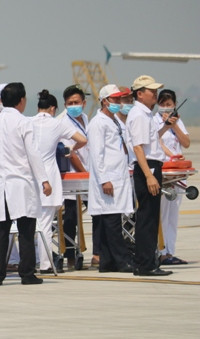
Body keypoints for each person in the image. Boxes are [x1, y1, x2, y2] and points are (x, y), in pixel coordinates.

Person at [0, 82, 51, 286]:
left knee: (1, 230)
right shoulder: (24, 122)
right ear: (21, 100)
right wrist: (44, 180)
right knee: (26, 230)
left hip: (1, 184)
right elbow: (33, 153)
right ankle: (27, 274)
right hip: (21, 182)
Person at [31, 90, 86, 274]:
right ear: (53, 108)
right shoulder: (57, 124)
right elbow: (83, 139)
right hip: (48, 175)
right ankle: (45, 264)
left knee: (30, 223)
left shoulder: (27, 122)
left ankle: (31, 261)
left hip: (29, 175)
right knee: (46, 223)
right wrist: (70, 148)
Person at [126, 75, 172, 276]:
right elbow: (138, 148)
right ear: (139, 94)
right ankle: (146, 264)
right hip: (148, 167)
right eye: (151, 91)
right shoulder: (139, 115)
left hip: (150, 165)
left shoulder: (145, 114)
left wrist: (166, 126)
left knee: (150, 216)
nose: (155, 94)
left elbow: (149, 141)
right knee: (147, 217)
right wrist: (149, 175)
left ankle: (144, 262)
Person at [87, 85, 135, 273]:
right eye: (114, 99)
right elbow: (96, 154)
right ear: (104, 101)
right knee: (112, 222)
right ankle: (122, 261)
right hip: (108, 179)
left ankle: (107, 262)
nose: (118, 102)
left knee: (111, 221)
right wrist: (104, 179)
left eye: (118, 99)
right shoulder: (98, 123)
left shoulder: (114, 121)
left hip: (118, 177)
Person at [60, 84, 99, 268]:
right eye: (70, 103)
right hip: (74, 175)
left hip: (87, 173)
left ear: (84, 103)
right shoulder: (63, 123)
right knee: (70, 218)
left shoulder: (85, 118)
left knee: (97, 213)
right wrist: (84, 173)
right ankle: (70, 255)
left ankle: (98, 253)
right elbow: (71, 153)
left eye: (76, 102)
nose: (73, 105)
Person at [155, 89, 191, 265]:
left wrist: (174, 125)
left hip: (177, 173)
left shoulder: (178, 121)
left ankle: (170, 252)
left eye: (168, 104)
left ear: (175, 105)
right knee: (162, 214)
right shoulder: (154, 120)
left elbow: (186, 142)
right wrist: (165, 125)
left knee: (173, 215)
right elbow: (156, 140)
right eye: (162, 104)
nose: (165, 107)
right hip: (163, 171)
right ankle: (160, 251)